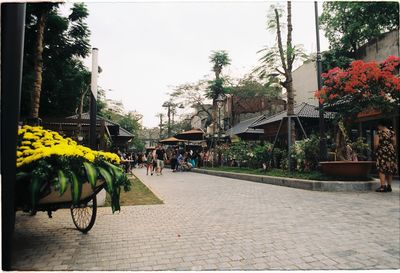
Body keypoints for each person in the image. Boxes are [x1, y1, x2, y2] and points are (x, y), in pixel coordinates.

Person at [374, 120, 397, 192]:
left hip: (382, 152)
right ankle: (389, 186)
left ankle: (383, 186)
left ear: (380, 125)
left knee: (381, 168)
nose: (378, 127)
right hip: (391, 152)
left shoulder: (379, 133)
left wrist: (375, 150)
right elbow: (394, 143)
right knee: (389, 168)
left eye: (378, 126)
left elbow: (376, 144)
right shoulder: (392, 133)